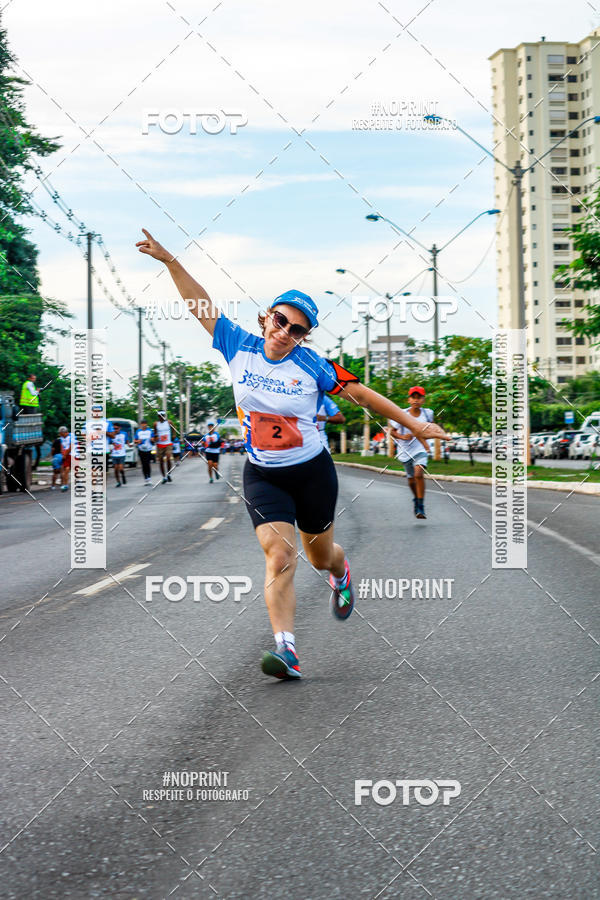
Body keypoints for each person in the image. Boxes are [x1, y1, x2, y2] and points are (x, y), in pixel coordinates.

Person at [136, 228, 449, 680]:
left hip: (312, 473)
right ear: (266, 318)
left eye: (297, 329)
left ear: (306, 335)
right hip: (263, 473)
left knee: (320, 557)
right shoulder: (236, 344)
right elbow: (200, 304)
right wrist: (170, 261)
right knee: (279, 556)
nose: (286, 332)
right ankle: (287, 651)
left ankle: (340, 573)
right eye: (280, 321)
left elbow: (362, 395)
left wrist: (416, 424)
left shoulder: (314, 366)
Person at [387, 386, 441, 520]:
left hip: (421, 449)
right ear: (409, 399)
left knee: (418, 473)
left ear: (423, 400)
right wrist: (402, 437)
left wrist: (432, 437)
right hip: (405, 451)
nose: (416, 400)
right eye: (413, 397)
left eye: (419, 397)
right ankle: (416, 499)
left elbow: (431, 427)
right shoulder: (401, 414)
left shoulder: (427, 414)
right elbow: (392, 431)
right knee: (411, 479)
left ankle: (421, 506)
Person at [154, 411, 174, 483]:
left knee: (168, 458)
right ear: (158, 416)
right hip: (160, 444)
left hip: (168, 443)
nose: (161, 417)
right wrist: (155, 437)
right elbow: (155, 433)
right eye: (159, 416)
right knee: (161, 461)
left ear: (164, 416)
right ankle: (164, 477)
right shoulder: (156, 424)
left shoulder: (169, 422)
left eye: (162, 415)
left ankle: (169, 474)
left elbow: (173, 429)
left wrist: (173, 435)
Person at [135, 420, 154, 484]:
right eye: (142, 424)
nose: (143, 425)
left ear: (146, 424)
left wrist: (152, 439)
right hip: (141, 449)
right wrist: (138, 441)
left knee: (147, 463)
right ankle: (145, 478)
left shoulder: (150, 431)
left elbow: (153, 439)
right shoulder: (138, 431)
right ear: (140, 424)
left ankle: (149, 477)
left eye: (145, 424)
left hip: (148, 449)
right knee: (143, 464)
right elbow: (135, 440)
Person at [58, 426, 74, 492]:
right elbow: (62, 446)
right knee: (66, 469)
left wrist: (65, 454)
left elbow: (71, 446)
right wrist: (63, 453)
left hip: (73, 454)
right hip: (66, 455)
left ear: (64, 432)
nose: (60, 435)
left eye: (60, 433)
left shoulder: (71, 436)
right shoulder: (61, 438)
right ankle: (65, 484)